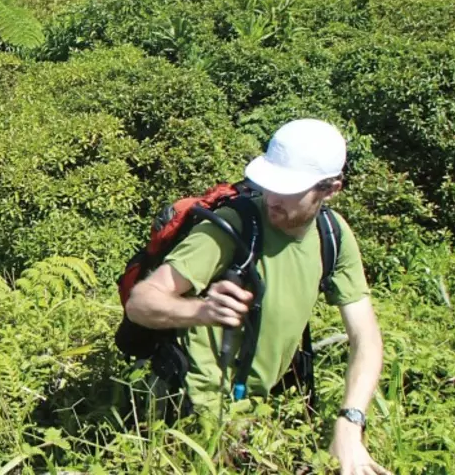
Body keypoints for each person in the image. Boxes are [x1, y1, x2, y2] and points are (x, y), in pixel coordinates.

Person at [123, 119, 389, 475]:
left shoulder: (333, 235)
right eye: (270, 184)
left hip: (257, 405)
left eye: (291, 190)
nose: (274, 199)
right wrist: (201, 310)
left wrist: (350, 423)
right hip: (190, 404)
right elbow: (142, 302)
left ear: (331, 188)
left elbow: (366, 338)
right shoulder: (232, 226)